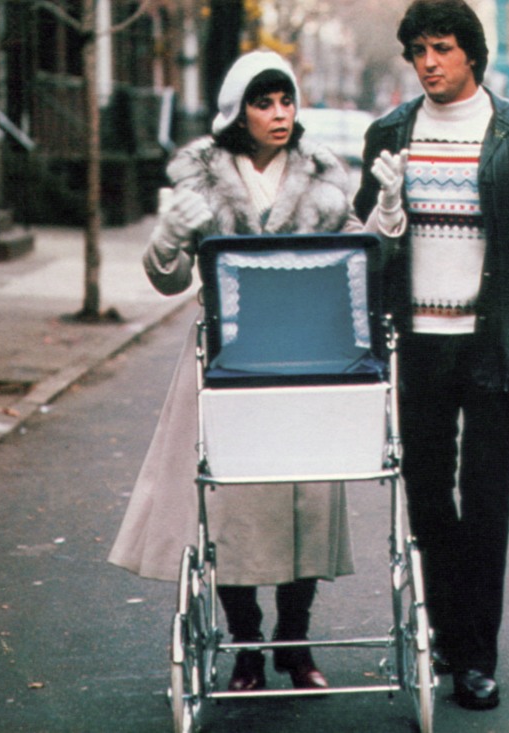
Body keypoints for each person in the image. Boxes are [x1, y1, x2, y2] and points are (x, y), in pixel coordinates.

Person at [108, 50, 407, 693]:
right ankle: (245, 648)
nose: (279, 114)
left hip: (307, 359)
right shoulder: (203, 178)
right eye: (263, 102)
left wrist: (387, 207)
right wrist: (166, 237)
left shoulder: (323, 177)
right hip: (228, 360)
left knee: (304, 499)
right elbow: (165, 280)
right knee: (231, 507)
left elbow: (362, 255)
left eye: (286, 101)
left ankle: (293, 648)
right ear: (237, 111)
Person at [352, 0, 509, 711]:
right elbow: (364, 248)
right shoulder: (388, 133)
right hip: (417, 345)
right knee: (426, 498)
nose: (428, 62)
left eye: (442, 48)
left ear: (472, 55)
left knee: (487, 502)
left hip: (498, 346)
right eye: (418, 50)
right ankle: (446, 634)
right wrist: (385, 211)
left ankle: (475, 656)